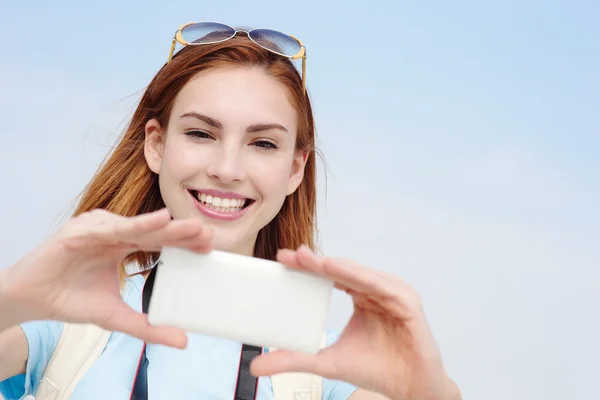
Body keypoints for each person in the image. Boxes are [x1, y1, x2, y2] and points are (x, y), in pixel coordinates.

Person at [0, 22, 461, 400]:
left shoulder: (315, 367)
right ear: (156, 146)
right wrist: (13, 295)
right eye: (201, 134)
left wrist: (429, 386)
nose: (226, 169)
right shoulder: (75, 313)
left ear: (295, 169)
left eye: (262, 143)